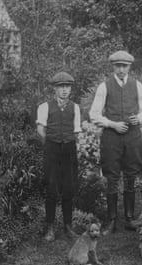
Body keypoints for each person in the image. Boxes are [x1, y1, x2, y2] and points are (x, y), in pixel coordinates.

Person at [89, 50, 142, 234]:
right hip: (111, 138)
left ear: (130, 67)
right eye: (118, 66)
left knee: (131, 176)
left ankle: (130, 218)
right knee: (112, 178)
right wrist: (112, 124)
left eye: (125, 66)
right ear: (113, 67)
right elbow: (93, 114)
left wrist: (138, 118)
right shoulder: (104, 86)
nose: (121, 69)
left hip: (132, 137)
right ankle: (112, 221)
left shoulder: (137, 85)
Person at [36, 71, 81, 241]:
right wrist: (51, 143)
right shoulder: (45, 107)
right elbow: (40, 130)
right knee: (51, 189)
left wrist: (69, 144)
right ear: (55, 89)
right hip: (52, 150)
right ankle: (50, 227)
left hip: (69, 149)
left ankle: (68, 226)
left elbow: (76, 131)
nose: (64, 90)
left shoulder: (75, 107)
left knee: (69, 188)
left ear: (70, 89)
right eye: (61, 87)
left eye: (67, 87)